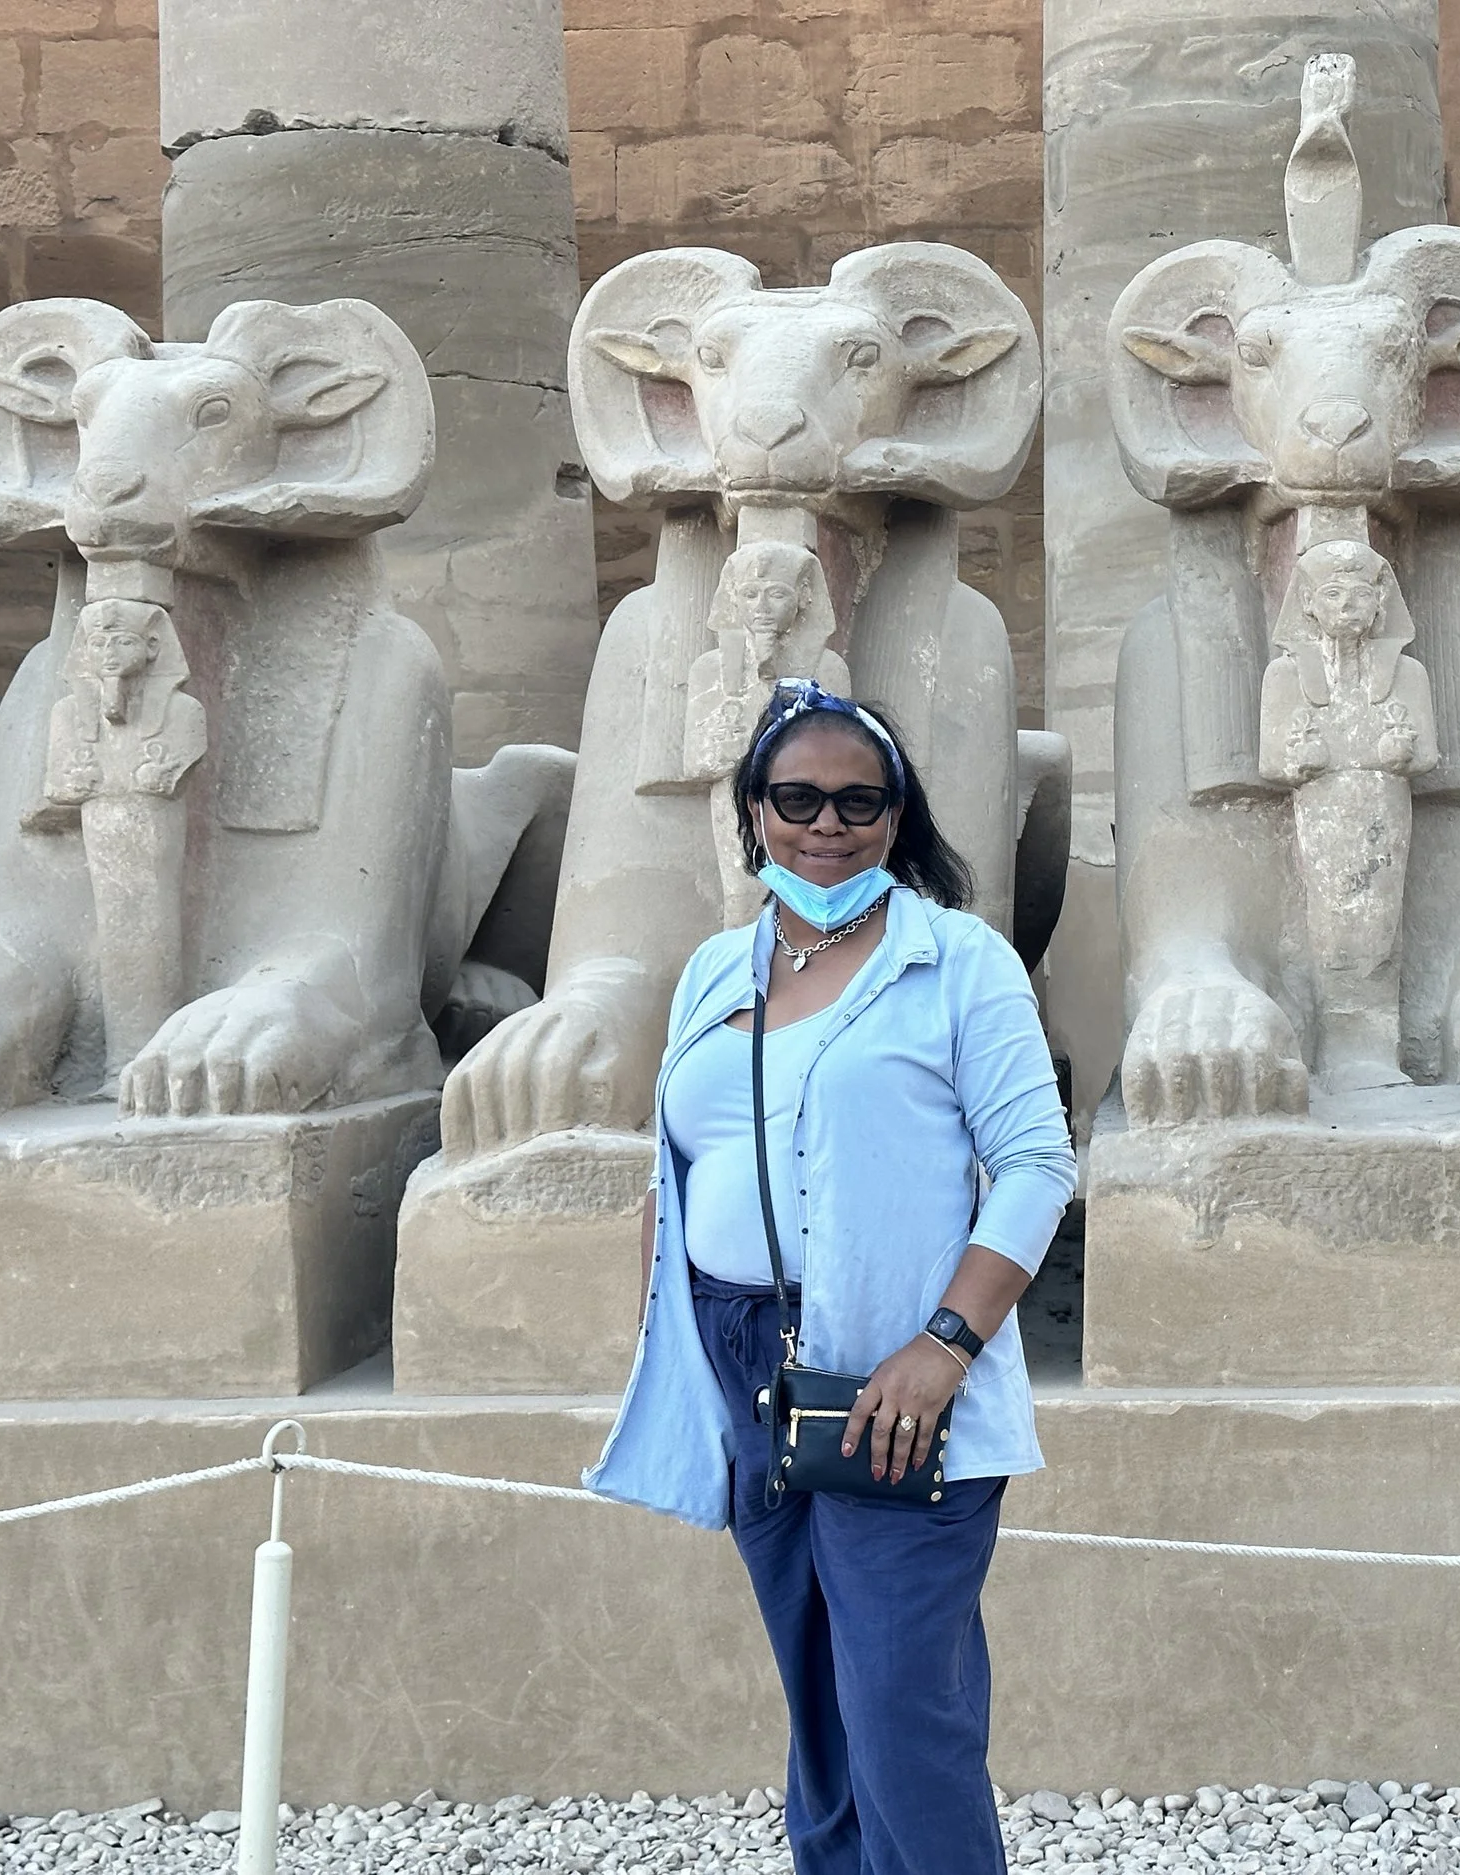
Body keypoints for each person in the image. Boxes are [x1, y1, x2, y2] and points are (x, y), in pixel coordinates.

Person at [586, 677, 1076, 1875]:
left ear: (897, 818)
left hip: (892, 1376)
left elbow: (1034, 1164)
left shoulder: (960, 962)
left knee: (906, 1714)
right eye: (795, 796)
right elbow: (680, 1158)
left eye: (859, 801)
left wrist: (944, 1346)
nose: (827, 824)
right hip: (740, 1359)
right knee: (819, 1705)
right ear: (751, 811)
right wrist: (672, 1334)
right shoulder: (714, 970)